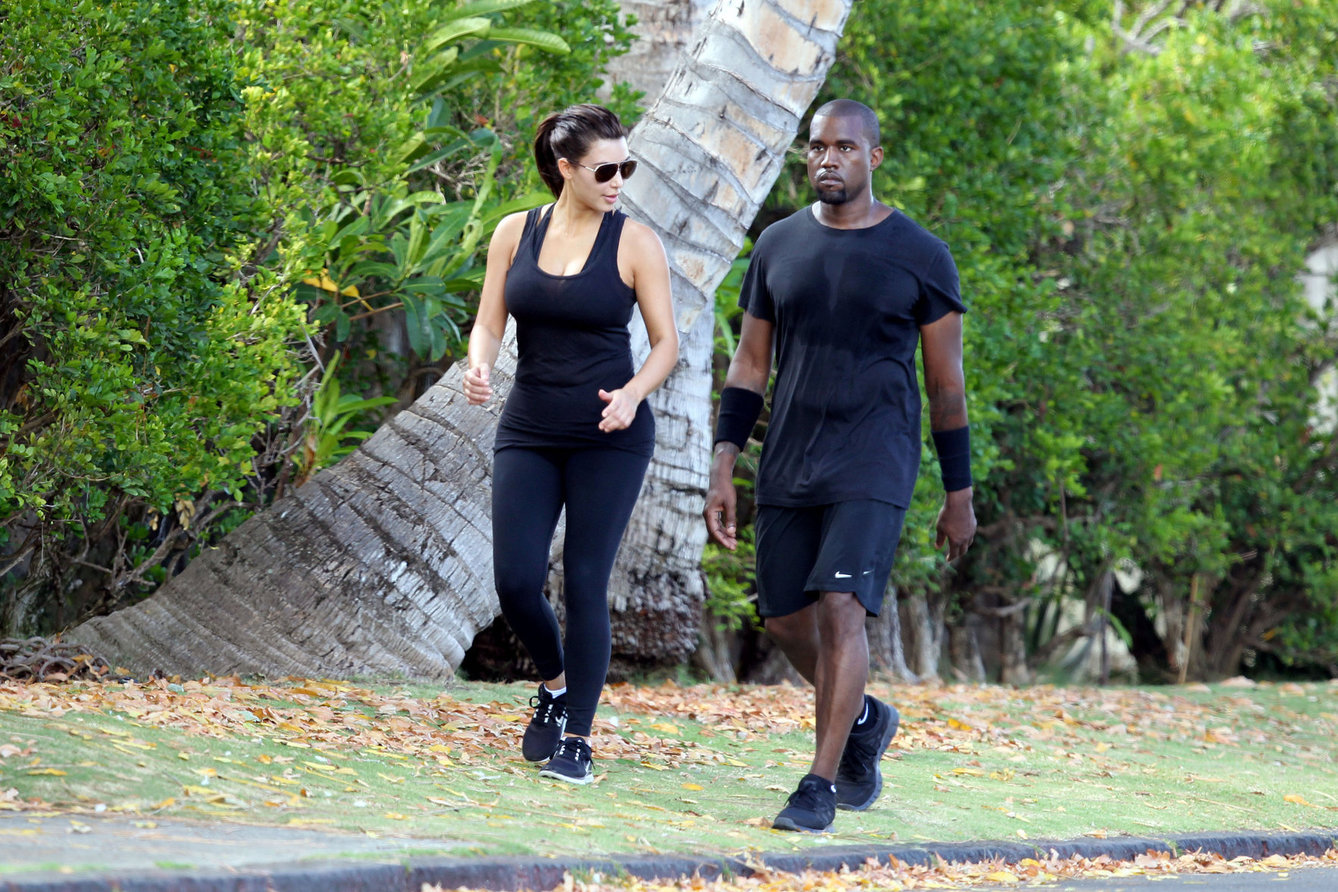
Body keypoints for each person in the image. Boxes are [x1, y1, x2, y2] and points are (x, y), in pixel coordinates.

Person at [702, 99, 976, 831]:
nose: (828, 159)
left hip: (875, 457)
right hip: (790, 456)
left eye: (845, 148)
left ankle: (819, 785)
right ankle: (863, 720)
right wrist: (724, 463)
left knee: (840, 607)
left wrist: (959, 492)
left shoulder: (921, 255)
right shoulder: (778, 245)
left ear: (874, 157)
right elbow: (748, 364)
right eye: (817, 146)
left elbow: (946, 386)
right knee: (784, 619)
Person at [464, 104, 678, 785]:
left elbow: (666, 344)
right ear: (565, 169)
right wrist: (479, 364)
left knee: (585, 582)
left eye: (627, 168)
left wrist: (634, 394)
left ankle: (578, 738)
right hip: (529, 427)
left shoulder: (635, 243)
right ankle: (555, 687)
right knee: (516, 581)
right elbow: (489, 322)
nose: (620, 182)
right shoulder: (514, 232)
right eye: (605, 170)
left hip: (609, 435)